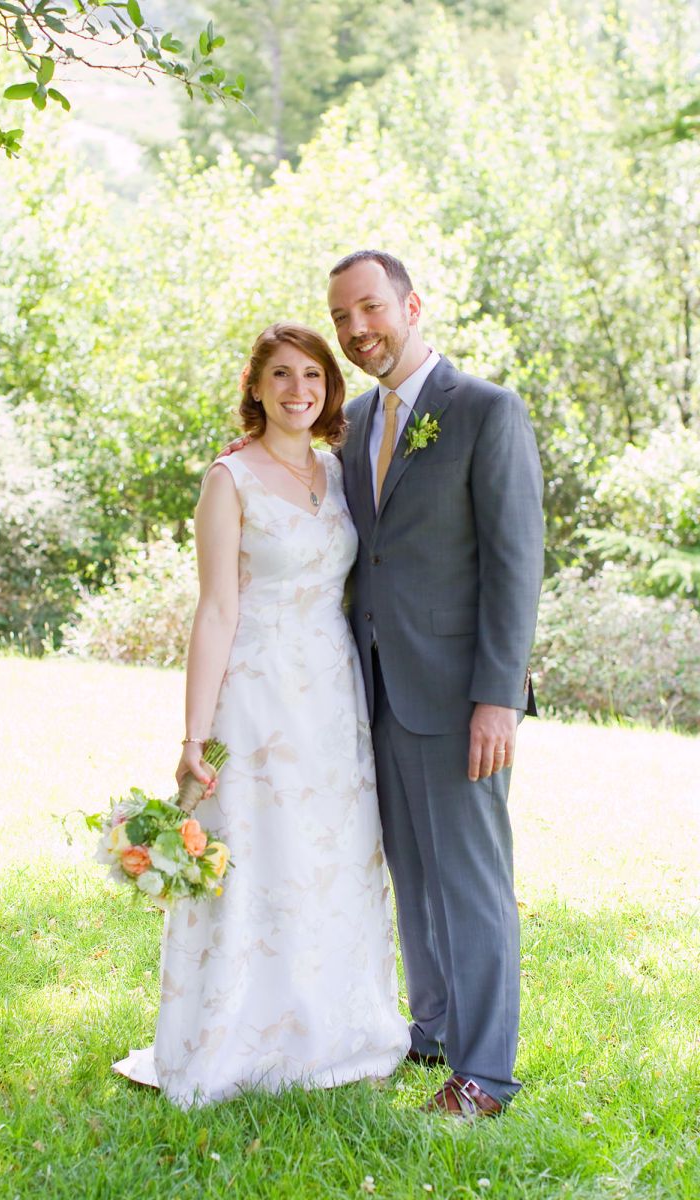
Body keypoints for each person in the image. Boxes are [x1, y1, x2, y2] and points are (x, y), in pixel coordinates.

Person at [112, 322, 410, 1105]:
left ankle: (332, 1027)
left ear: (328, 389)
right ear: (255, 387)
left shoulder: (339, 471)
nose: (298, 391)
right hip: (256, 688)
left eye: (313, 376)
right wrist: (193, 735)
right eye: (281, 375)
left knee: (330, 853)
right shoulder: (229, 478)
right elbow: (214, 611)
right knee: (254, 854)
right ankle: (236, 1034)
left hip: (331, 689)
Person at [327, 250, 544, 1118]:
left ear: (413, 305)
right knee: (412, 872)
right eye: (342, 318)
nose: (356, 331)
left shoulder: (486, 412)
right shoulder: (353, 428)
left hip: (460, 697)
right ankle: (434, 1035)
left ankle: (485, 1075)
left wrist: (499, 696)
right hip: (374, 689)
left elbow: (515, 564)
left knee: (471, 880)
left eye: (370, 309)